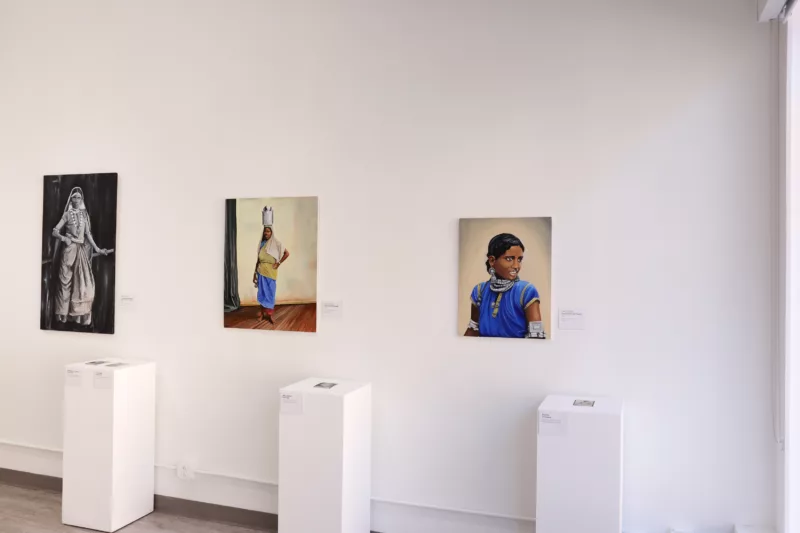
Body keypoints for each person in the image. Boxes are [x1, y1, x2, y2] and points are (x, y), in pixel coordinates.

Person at [464, 233, 545, 339]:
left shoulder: (526, 291)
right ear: (492, 260)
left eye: (519, 259)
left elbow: (537, 336)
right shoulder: (479, 291)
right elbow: (472, 330)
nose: (516, 266)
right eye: (509, 259)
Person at [51, 187, 111, 326]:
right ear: (71, 199)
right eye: (74, 197)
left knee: (82, 284)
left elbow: (88, 234)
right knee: (65, 283)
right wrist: (63, 238)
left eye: (79, 197)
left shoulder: (84, 216)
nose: (76, 200)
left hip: (81, 251)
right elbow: (54, 231)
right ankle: (62, 316)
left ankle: (77, 317)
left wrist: (97, 249)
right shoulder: (67, 214)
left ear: (81, 199)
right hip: (69, 251)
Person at [253, 225, 290, 323]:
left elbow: (287, 253)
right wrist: (254, 273)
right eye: (265, 231)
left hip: (271, 272)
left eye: (268, 231)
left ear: (272, 232)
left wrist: (279, 262)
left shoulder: (276, 243)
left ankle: (269, 315)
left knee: (270, 293)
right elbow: (258, 260)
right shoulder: (262, 244)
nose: (266, 233)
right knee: (262, 293)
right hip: (261, 271)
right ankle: (262, 313)